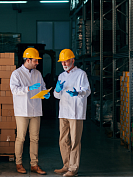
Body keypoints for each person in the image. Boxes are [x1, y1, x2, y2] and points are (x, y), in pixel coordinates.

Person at [10, 47, 50, 175]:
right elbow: (15, 90)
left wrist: (45, 94)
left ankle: (34, 164)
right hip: (22, 111)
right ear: (28, 60)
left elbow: (42, 87)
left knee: (35, 138)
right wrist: (28, 88)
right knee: (21, 138)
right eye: (35, 61)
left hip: (36, 110)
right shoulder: (16, 74)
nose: (37, 63)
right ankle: (19, 163)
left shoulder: (37, 74)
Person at [53, 49, 91, 177]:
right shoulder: (61, 76)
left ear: (73, 60)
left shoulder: (81, 74)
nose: (64, 64)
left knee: (75, 141)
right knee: (63, 140)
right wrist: (57, 90)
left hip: (76, 112)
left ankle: (73, 169)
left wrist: (78, 93)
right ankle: (66, 165)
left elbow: (87, 91)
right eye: (62, 62)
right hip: (63, 112)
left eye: (66, 61)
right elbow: (56, 95)